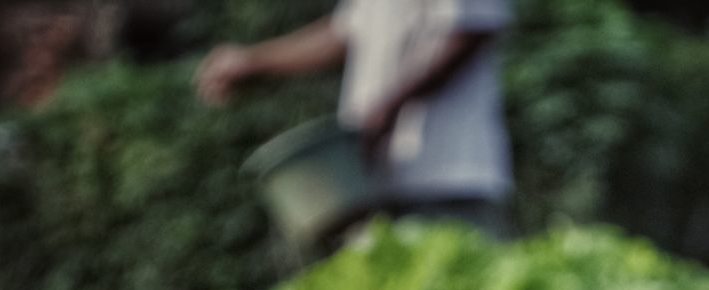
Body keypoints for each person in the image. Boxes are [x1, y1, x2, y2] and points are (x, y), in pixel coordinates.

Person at [195, 0, 514, 240]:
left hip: (448, 174)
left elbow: (470, 29)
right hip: (373, 182)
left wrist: (386, 109)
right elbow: (344, 31)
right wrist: (254, 63)